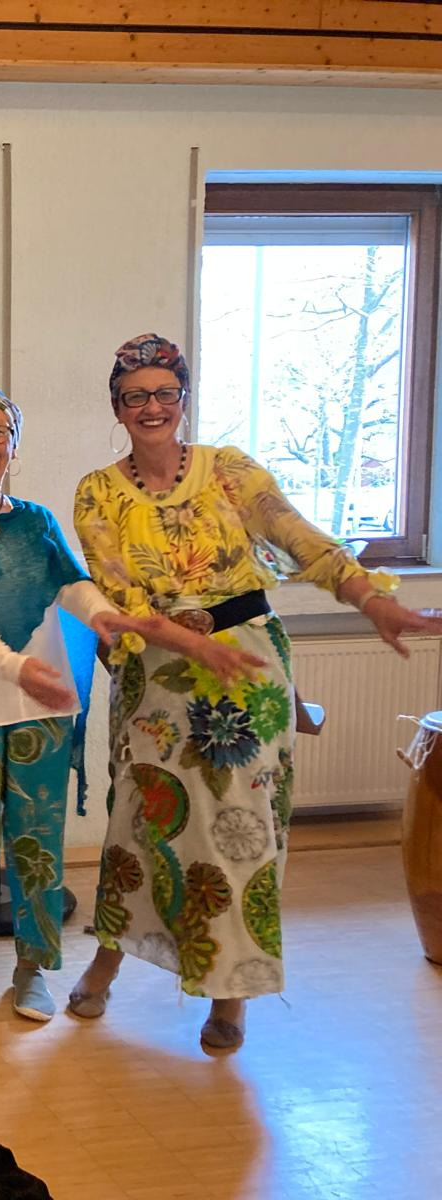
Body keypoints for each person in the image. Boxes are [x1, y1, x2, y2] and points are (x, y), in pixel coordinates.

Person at [68, 332, 442, 1051]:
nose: (152, 407)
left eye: (165, 393)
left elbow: (304, 542)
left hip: (246, 672)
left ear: (184, 399)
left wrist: (372, 601)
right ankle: (108, 958)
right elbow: (120, 595)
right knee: (140, 823)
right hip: (157, 675)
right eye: (135, 396)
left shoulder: (231, 470)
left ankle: (231, 991)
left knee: (240, 831)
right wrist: (187, 640)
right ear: (117, 407)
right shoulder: (98, 491)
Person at [0, 384, 258, 1022]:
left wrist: (107, 617)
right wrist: (16, 667)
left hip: (46, 705)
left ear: (14, 445)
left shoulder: (36, 521)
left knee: (37, 842)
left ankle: (31, 967)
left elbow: (71, 584)